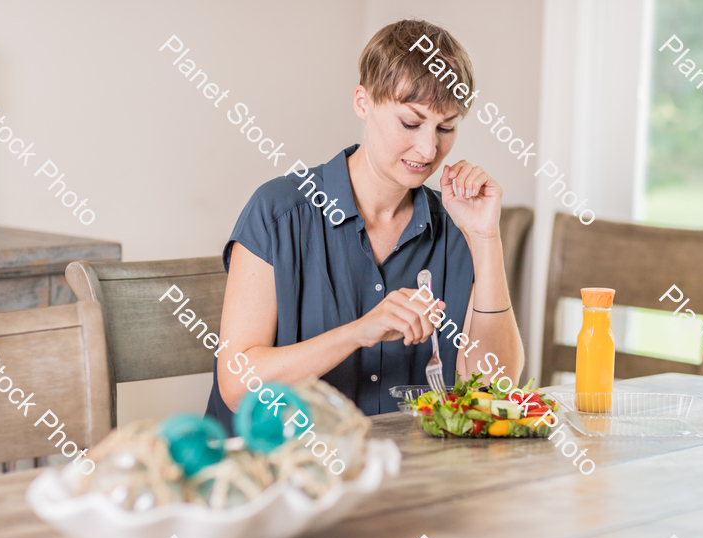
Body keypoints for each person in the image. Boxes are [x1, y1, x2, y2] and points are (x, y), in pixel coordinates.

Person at [205, 19, 524, 434]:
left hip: (403, 475)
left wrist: (485, 239)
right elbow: (237, 384)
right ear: (363, 101)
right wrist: (358, 332)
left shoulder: (454, 227)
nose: (429, 149)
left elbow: (495, 390)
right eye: (411, 123)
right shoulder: (278, 212)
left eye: (446, 127)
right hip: (273, 476)